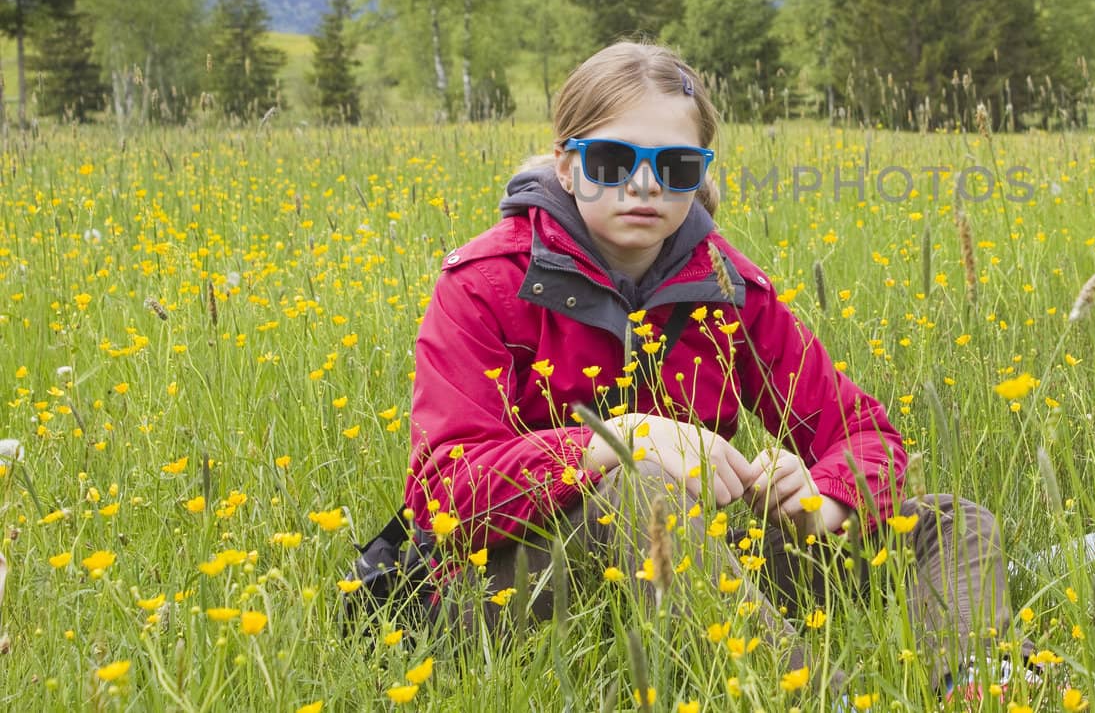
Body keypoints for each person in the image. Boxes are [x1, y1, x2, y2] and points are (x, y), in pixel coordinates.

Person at [405, 42, 1045, 704]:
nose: (645, 184)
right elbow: (441, 493)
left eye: (676, 165)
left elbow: (862, 431)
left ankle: (974, 683)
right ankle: (821, 698)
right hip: (514, 585)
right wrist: (611, 440)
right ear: (568, 166)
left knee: (948, 521)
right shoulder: (486, 283)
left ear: (700, 171)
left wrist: (825, 498)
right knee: (641, 483)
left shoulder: (728, 287)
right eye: (612, 160)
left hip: (695, 561)